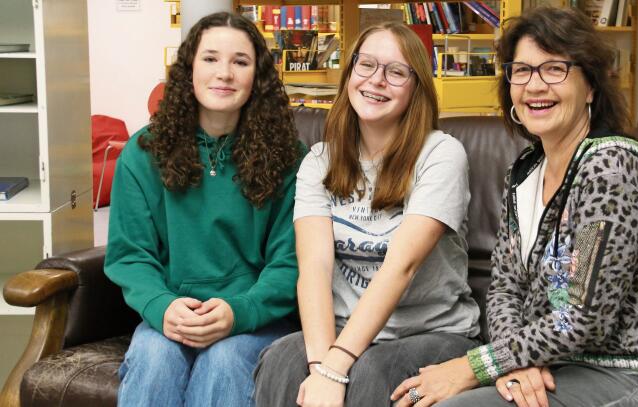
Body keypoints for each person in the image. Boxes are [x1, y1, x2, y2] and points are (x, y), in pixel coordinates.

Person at [390, 7, 638, 407]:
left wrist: (475, 367)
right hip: (554, 366)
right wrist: (514, 364)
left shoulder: (609, 170)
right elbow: (504, 288)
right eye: (522, 71)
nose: (535, 86)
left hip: (627, 374)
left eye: (554, 70)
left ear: (591, 87)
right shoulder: (525, 171)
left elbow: (583, 315)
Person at [253, 21, 481, 407]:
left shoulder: (441, 154)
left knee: (370, 371)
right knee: (282, 360)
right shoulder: (319, 160)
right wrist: (318, 363)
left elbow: (401, 268)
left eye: (396, 72)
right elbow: (315, 269)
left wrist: (335, 366)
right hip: (342, 329)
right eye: (367, 65)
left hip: (432, 333)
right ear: (350, 73)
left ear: (416, 88)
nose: (377, 81)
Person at [104, 12, 303, 407]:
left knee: (225, 359)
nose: (224, 73)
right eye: (210, 58)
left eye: (240, 62)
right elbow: (130, 255)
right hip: (172, 311)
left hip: (254, 317)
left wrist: (240, 311)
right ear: (189, 69)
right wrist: (162, 307)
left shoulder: (290, 158)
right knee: (154, 357)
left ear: (258, 77)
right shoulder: (144, 152)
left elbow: (292, 262)